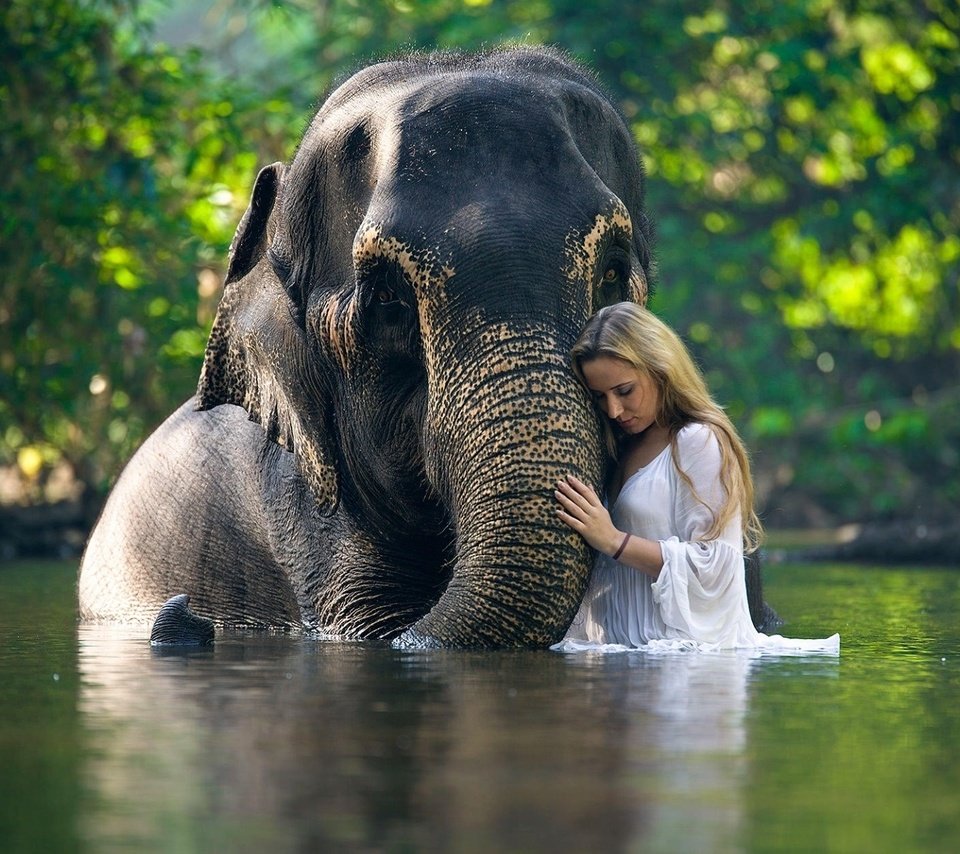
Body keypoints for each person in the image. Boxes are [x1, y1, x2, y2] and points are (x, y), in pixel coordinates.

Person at [554, 302, 839, 653]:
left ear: (660, 369)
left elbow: (716, 565)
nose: (613, 410)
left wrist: (613, 541)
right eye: (599, 397)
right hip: (625, 660)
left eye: (625, 391)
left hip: (691, 669)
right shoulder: (619, 446)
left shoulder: (697, 440)